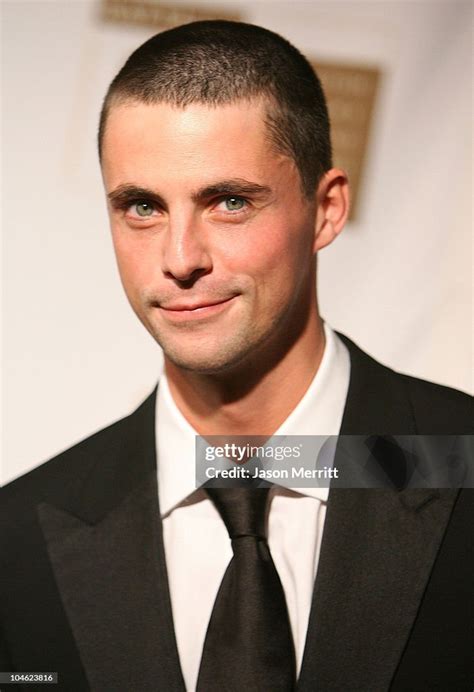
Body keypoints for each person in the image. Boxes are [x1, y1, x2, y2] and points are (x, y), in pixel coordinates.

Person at [1, 20, 472, 692]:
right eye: (142, 207)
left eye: (229, 202)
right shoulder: (16, 544)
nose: (180, 258)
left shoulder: (464, 464)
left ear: (326, 209)